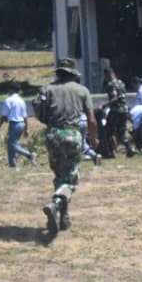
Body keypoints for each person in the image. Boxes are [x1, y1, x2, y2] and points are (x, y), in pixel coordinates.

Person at [33, 58, 96, 235]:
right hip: (72, 135)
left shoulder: (47, 89)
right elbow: (91, 119)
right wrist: (93, 138)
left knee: (60, 175)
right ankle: (56, 203)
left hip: (52, 134)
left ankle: (63, 216)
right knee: (70, 178)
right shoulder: (82, 90)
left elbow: (38, 109)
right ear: (73, 73)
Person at [0, 89, 34, 167]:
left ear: (10, 90)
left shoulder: (8, 100)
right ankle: (12, 165)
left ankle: (29, 155)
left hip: (14, 124)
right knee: (10, 145)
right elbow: (25, 116)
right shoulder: (21, 100)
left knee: (12, 145)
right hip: (21, 123)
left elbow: (3, 116)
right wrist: (26, 129)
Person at [102, 68, 133, 157]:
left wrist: (104, 106)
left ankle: (110, 152)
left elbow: (115, 98)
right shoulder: (121, 83)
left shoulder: (111, 84)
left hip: (115, 110)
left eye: (105, 76)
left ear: (108, 74)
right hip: (124, 109)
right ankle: (129, 149)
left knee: (108, 131)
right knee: (122, 132)